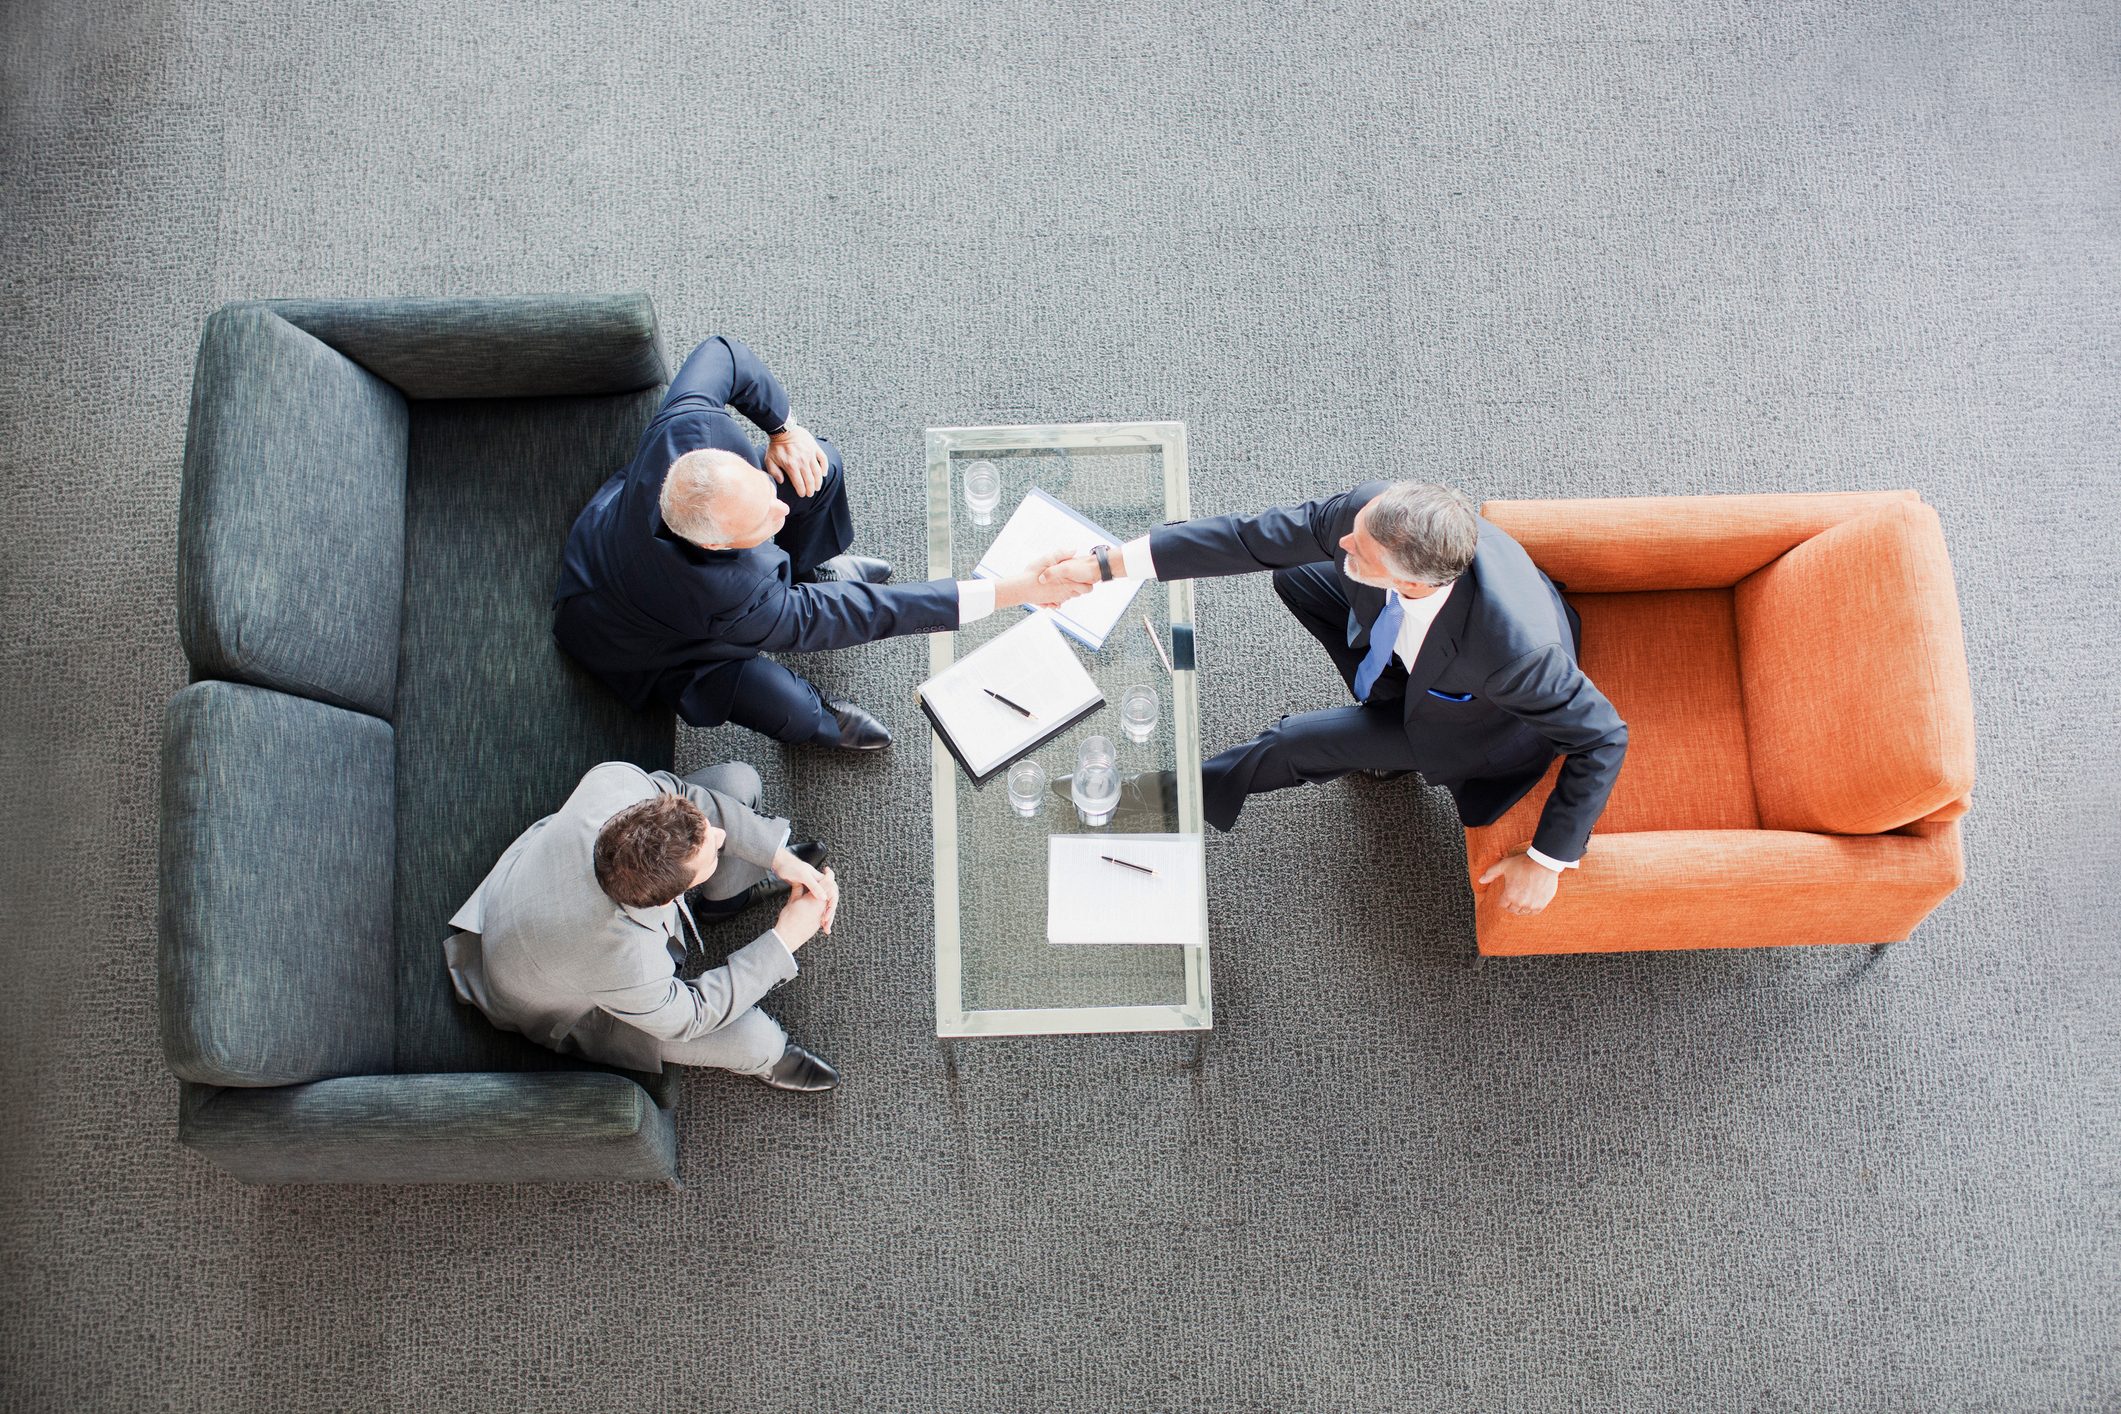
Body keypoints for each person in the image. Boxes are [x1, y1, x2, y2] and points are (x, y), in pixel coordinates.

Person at [1040, 481, 1627, 918]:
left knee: (1291, 743)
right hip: (1425, 656)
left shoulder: (1517, 656)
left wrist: (1547, 861)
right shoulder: (1374, 515)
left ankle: (1156, 800)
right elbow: (1249, 540)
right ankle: (1379, 720)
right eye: (1356, 530)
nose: (1343, 538)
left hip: (1474, 724)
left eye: (1360, 549)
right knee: (1295, 574)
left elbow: (1603, 737)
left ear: (1411, 581)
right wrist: (1102, 566)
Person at [553, 335, 1088, 749]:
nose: (780, 507)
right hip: (646, 642)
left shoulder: (686, 426)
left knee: (816, 466)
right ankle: (820, 725)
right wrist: (1012, 589)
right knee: (784, 704)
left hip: (624, 538)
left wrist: (784, 429)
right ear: (719, 548)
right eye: (765, 520)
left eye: (764, 490)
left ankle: (806, 572)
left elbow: (724, 353)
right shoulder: (738, 602)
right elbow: (867, 613)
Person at [443, 759, 846, 1092]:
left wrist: (776, 856)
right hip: (561, 995)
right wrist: (785, 937)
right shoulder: (624, 962)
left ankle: (729, 897)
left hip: (533, 891)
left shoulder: (616, 782)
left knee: (737, 782)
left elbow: (686, 797)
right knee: (758, 1040)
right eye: (710, 855)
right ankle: (768, 1057)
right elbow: (690, 1015)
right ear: (671, 899)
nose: (720, 836)